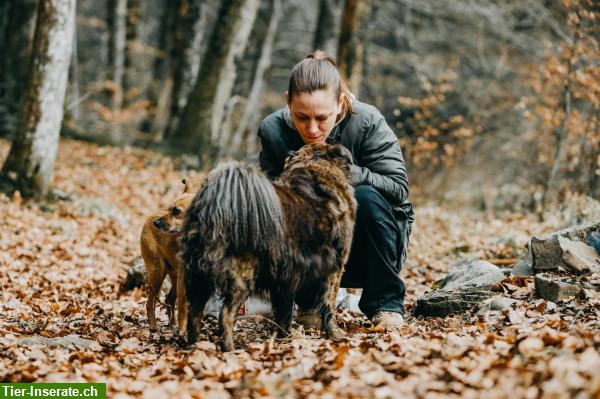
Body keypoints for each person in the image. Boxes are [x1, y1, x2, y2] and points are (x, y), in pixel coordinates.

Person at [257, 50, 414, 328]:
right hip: (307, 252)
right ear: (287, 102)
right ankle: (310, 302)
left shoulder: (367, 121)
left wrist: (335, 172)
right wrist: (286, 182)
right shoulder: (272, 129)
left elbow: (398, 188)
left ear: (341, 103)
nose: (313, 128)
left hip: (371, 244)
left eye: (322, 117)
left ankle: (386, 304)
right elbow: (264, 207)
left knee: (364, 197)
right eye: (302, 117)